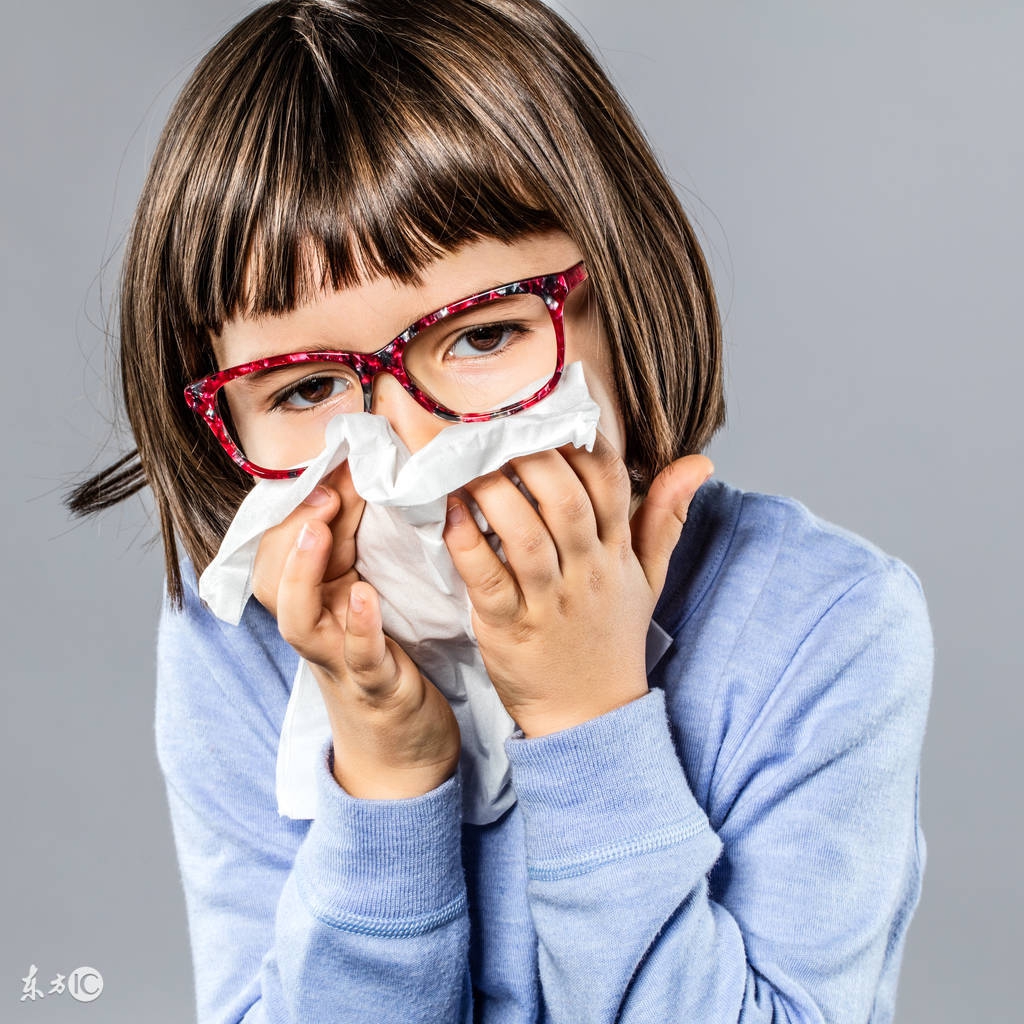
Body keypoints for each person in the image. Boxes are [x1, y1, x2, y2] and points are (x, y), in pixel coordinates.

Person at [68, 1, 932, 1021]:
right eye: (306, 390)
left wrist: (587, 719)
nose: (409, 451)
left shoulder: (821, 623)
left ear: (625, 291)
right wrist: (385, 775)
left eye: (480, 337)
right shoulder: (237, 650)